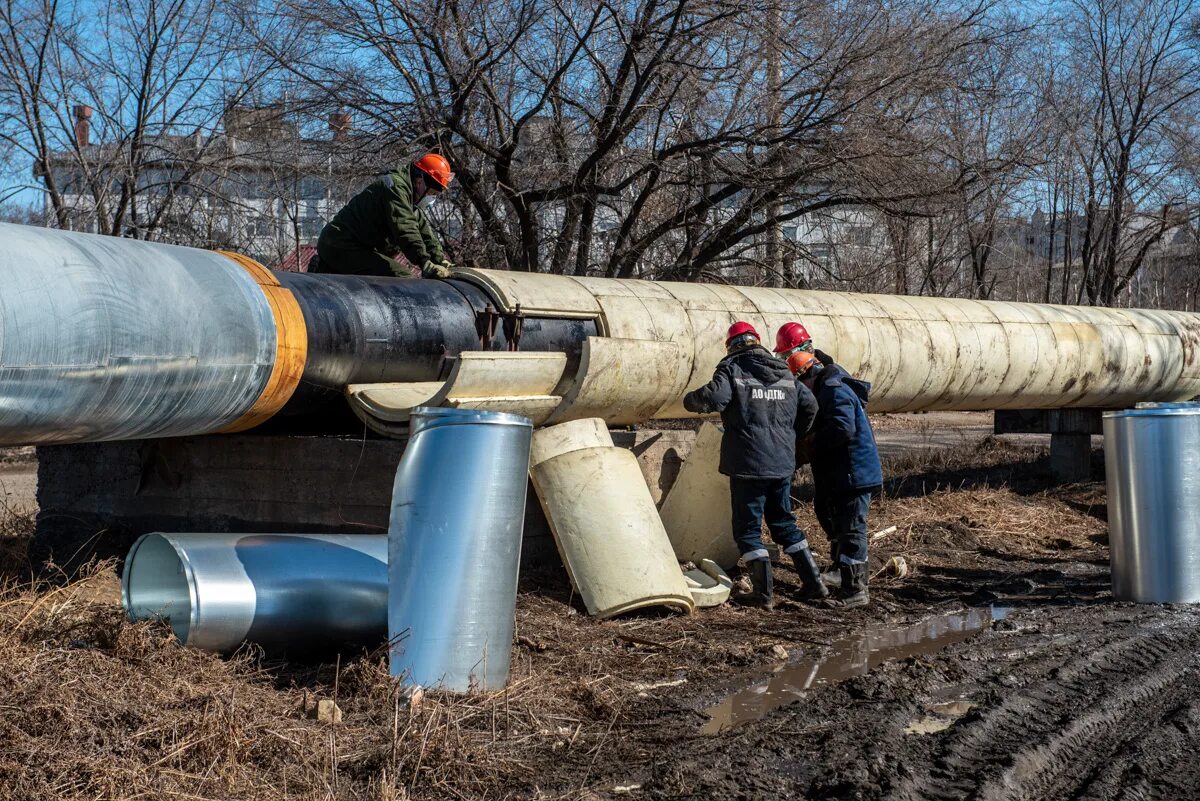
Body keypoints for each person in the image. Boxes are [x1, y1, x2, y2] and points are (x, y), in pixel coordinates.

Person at [682, 321, 826, 608]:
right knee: (783, 523)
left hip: (749, 463)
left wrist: (689, 400)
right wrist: (789, 433)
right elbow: (810, 405)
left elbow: (716, 397)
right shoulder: (782, 370)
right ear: (758, 342)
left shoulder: (732, 367)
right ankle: (814, 584)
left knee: (748, 530)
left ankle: (763, 595)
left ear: (731, 346)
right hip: (782, 462)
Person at [788, 348, 882, 609]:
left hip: (854, 472)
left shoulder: (833, 389)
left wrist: (812, 443)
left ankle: (855, 590)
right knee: (829, 513)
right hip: (841, 472)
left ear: (808, 374)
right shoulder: (825, 387)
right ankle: (842, 571)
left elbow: (842, 427)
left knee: (851, 528)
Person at [313, 153, 454, 279]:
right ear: (420, 181)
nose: (432, 199)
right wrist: (424, 262)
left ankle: (325, 268)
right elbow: (406, 228)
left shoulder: (411, 200)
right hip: (340, 244)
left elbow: (425, 234)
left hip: (355, 246)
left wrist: (441, 261)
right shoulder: (396, 188)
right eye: (432, 193)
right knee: (400, 277)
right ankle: (324, 268)